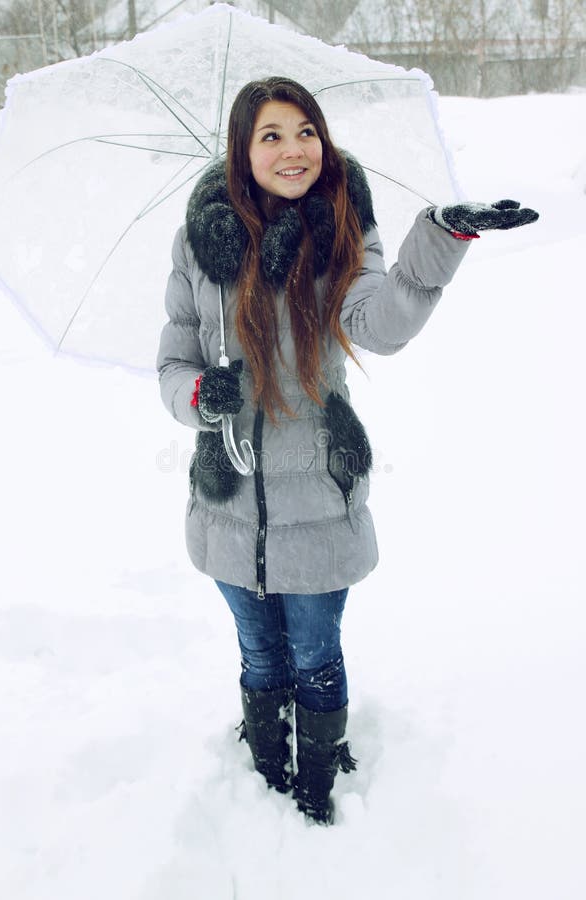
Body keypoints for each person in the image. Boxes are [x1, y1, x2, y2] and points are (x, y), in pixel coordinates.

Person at [156, 77, 538, 825]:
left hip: (318, 495)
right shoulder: (201, 244)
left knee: (314, 655)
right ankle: (266, 767)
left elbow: (382, 323)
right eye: (272, 135)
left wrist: (441, 236)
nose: (295, 149)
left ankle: (319, 781)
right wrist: (202, 395)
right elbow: (172, 364)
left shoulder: (338, 227)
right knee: (260, 657)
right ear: (243, 149)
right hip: (227, 494)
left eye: (306, 131)